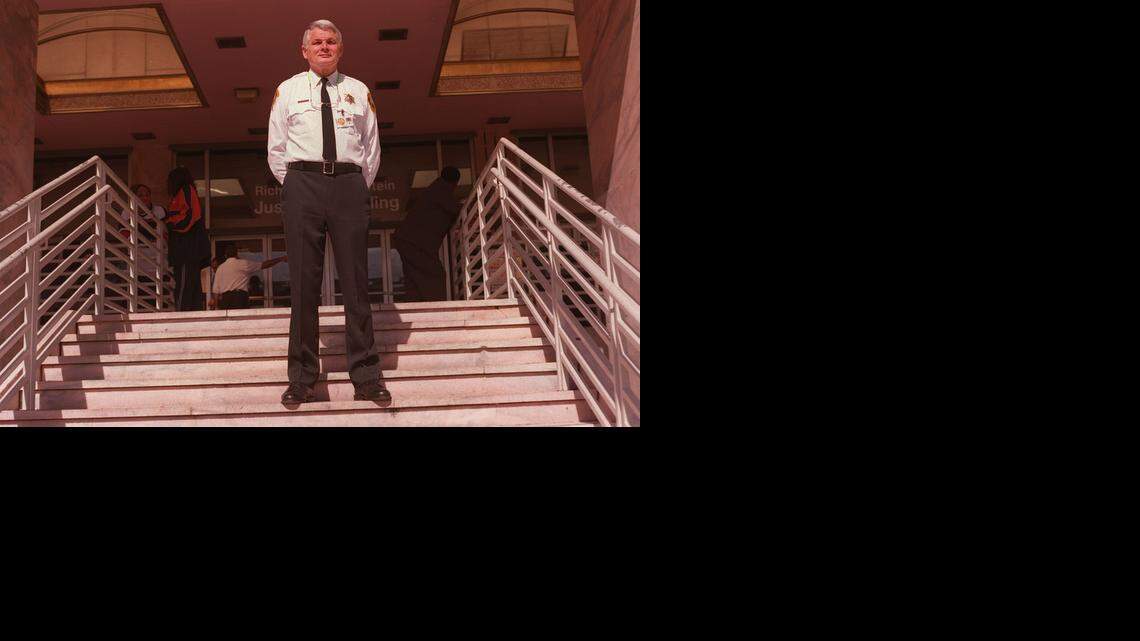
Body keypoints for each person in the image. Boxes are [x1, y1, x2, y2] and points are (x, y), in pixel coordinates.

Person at [267, 19, 388, 404]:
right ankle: (302, 378)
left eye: (330, 41)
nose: (324, 47)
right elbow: (276, 148)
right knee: (303, 283)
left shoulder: (358, 90)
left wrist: (352, 185)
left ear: (340, 48)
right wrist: (298, 184)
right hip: (302, 183)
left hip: (349, 185)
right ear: (304, 50)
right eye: (316, 42)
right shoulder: (287, 90)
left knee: (356, 282)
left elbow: (371, 149)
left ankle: (366, 376)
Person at [392, 166, 461, 301]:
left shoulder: (434, 190)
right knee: (435, 274)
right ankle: (435, 308)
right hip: (415, 243)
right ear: (455, 183)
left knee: (413, 276)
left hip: (408, 241)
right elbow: (456, 209)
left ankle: (415, 305)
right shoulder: (441, 191)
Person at [165, 167, 212, 311]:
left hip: (187, 247)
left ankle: (182, 314)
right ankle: (192, 313)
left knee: (184, 284)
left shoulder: (185, 190)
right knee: (191, 284)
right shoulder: (185, 192)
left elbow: (191, 216)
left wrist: (169, 223)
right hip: (189, 247)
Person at [212, 245, 288, 309]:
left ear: (226, 255)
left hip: (226, 299)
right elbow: (264, 265)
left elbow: (215, 291)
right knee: (242, 322)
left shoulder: (220, 268)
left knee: (227, 324)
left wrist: (216, 308)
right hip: (240, 297)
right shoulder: (243, 263)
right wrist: (280, 259)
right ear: (236, 254)